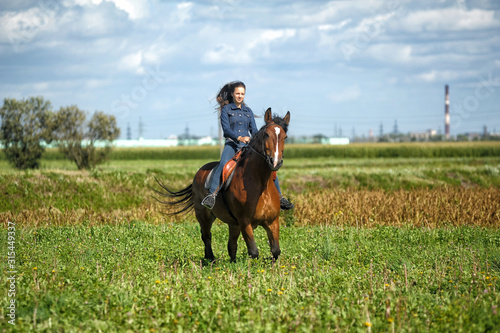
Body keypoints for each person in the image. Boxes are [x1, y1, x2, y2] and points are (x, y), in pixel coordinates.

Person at [201, 81, 294, 210]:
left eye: (242, 94)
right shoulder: (226, 110)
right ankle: (212, 194)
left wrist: (257, 140)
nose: (240, 96)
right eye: (237, 93)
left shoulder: (248, 111)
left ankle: (280, 197)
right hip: (232, 145)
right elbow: (226, 129)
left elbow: (254, 131)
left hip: (247, 146)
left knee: (269, 166)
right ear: (233, 94)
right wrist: (239, 137)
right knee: (224, 164)